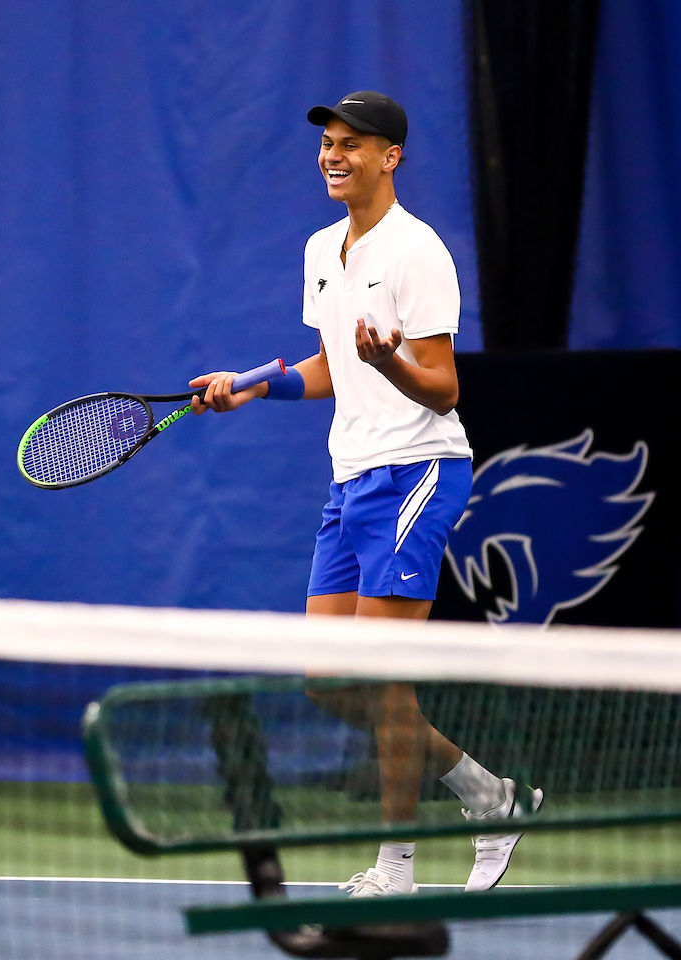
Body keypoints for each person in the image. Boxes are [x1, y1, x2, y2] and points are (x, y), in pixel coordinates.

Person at [189, 91, 541, 897]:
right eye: (328, 143)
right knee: (329, 682)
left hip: (418, 471)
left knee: (382, 678)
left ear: (392, 157)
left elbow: (444, 389)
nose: (334, 155)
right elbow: (328, 368)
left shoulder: (419, 252)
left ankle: (397, 868)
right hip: (351, 477)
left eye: (355, 144)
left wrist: (388, 363)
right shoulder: (321, 248)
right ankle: (490, 796)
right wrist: (250, 388)